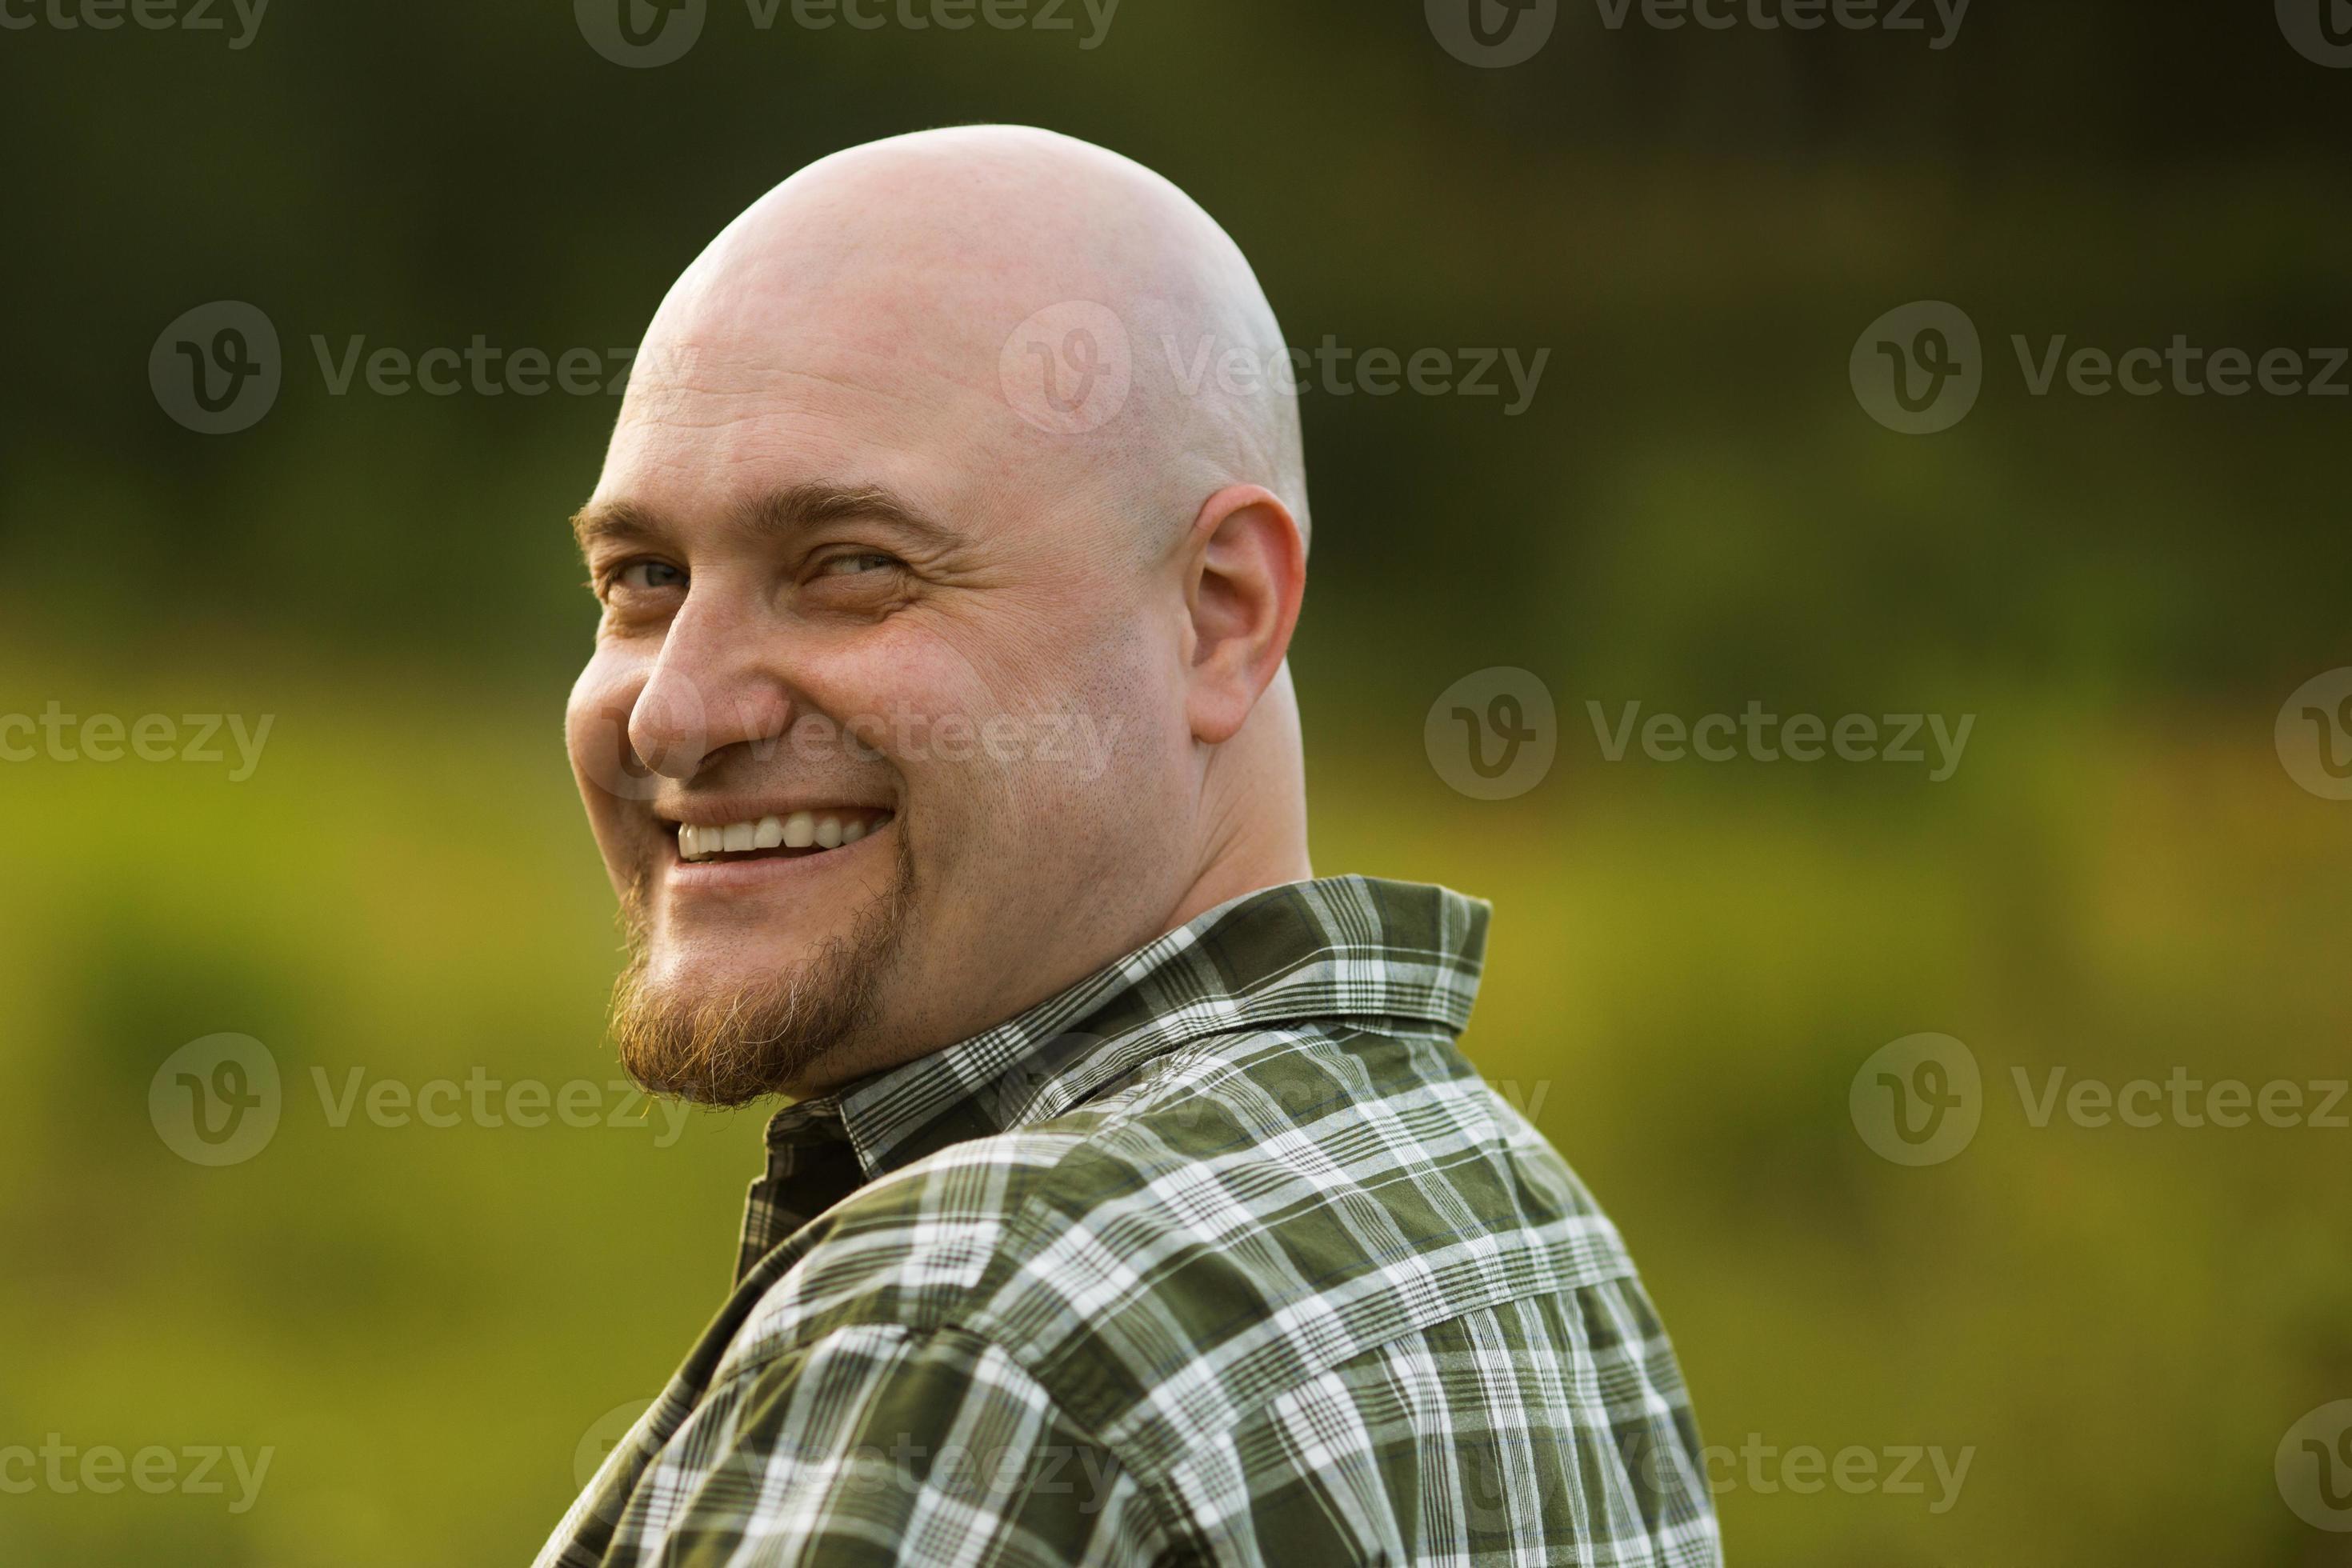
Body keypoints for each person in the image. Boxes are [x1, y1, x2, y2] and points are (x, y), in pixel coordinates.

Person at [540, 124, 1718, 1566]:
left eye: (851, 567)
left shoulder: (970, 1337)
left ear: (1222, 612)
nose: (672, 716)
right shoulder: (1507, 1226)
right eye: (643, 578)